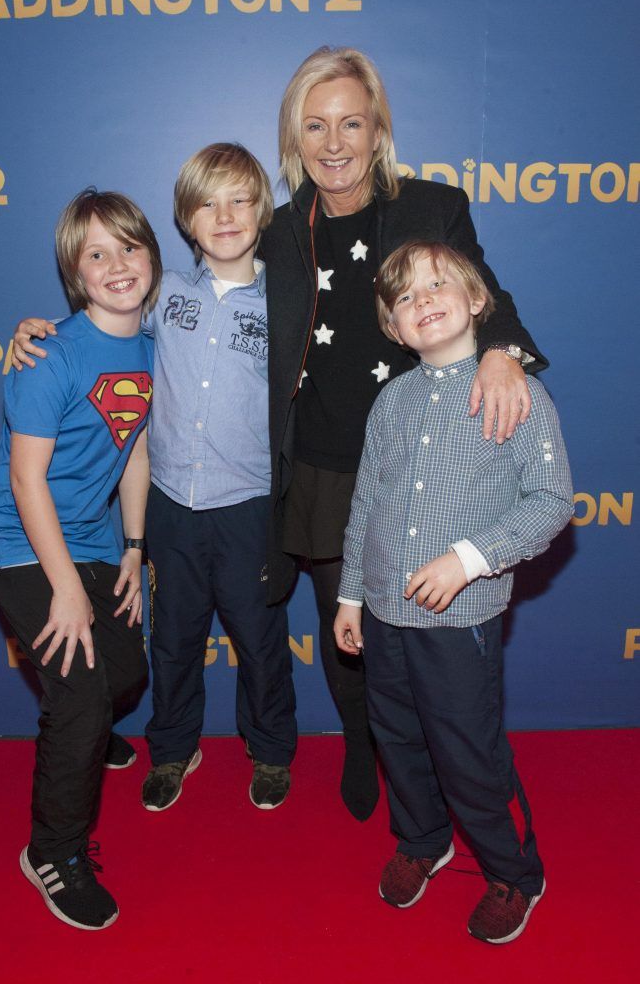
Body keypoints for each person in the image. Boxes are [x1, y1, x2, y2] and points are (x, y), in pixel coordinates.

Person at [260, 46, 547, 822]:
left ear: (377, 127)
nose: (333, 141)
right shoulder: (278, 232)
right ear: (294, 138)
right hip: (323, 464)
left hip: (428, 461)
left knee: (440, 647)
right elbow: (198, 303)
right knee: (351, 632)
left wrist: (503, 355)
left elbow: (491, 301)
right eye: (314, 125)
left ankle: (461, 779)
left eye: (351, 121)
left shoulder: (433, 206)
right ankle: (364, 740)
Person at [11, 144, 298, 813]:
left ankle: (273, 748)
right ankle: (172, 747)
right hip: (171, 503)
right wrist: (34, 330)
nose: (224, 217)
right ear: (186, 221)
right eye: (207, 204)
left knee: (259, 641)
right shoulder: (161, 294)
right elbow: (98, 328)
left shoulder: (290, 304)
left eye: (240, 200)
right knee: (172, 637)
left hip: (250, 505)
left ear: (262, 211)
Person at [333, 240, 573, 944]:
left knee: (468, 752)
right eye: (404, 297)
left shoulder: (515, 390)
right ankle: (423, 838)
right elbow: (367, 503)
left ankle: (513, 872)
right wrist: (351, 593)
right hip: (382, 613)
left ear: (476, 301)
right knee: (399, 738)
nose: (422, 301)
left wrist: (468, 559)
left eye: (439, 285)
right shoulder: (392, 400)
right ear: (393, 326)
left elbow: (552, 500)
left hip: (460, 619)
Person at [0, 189, 160, 930]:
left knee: (130, 674)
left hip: (89, 538)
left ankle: (84, 727)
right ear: (73, 273)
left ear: (151, 254)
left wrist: (134, 551)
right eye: (95, 253)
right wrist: (66, 590)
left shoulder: (152, 348)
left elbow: (137, 448)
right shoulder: (47, 352)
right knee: (81, 696)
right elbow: (26, 481)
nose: (116, 264)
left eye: (127, 246)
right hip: (22, 543)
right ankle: (52, 853)